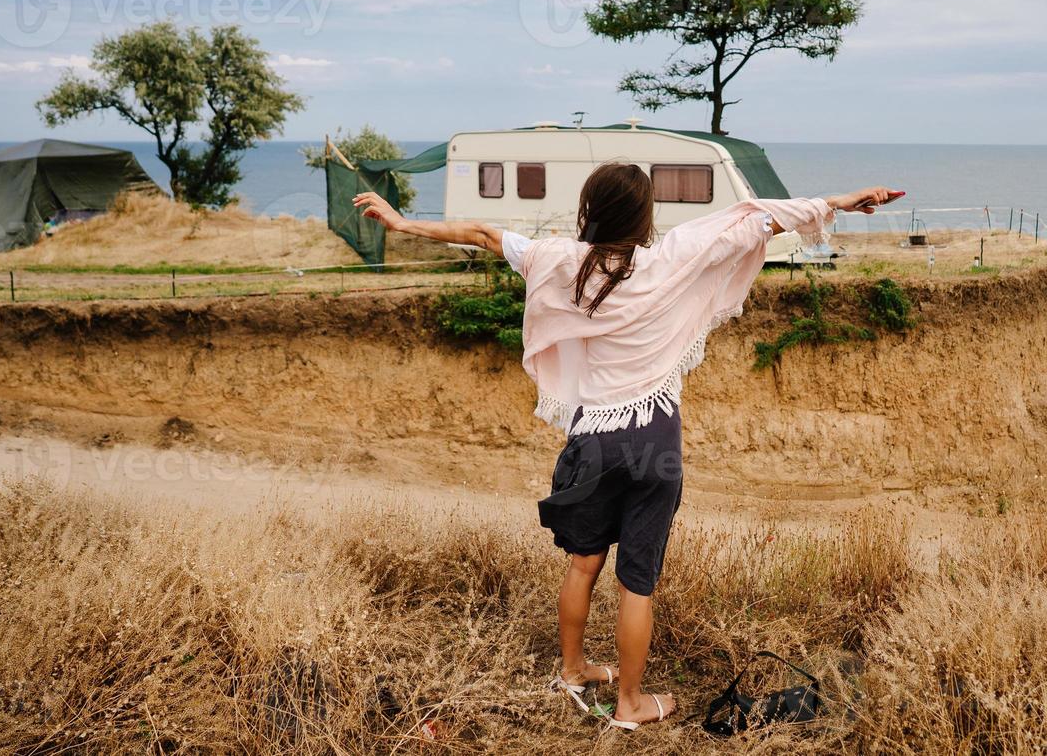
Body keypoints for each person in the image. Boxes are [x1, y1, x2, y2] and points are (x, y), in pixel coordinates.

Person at [353, 165, 895, 730]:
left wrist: (401, 223)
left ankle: (573, 670)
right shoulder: (671, 257)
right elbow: (758, 219)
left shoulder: (560, 261)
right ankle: (631, 704)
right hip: (652, 438)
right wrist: (840, 201)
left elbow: (486, 236)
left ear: (589, 209)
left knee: (583, 562)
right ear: (645, 216)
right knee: (638, 579)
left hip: (592, 438)